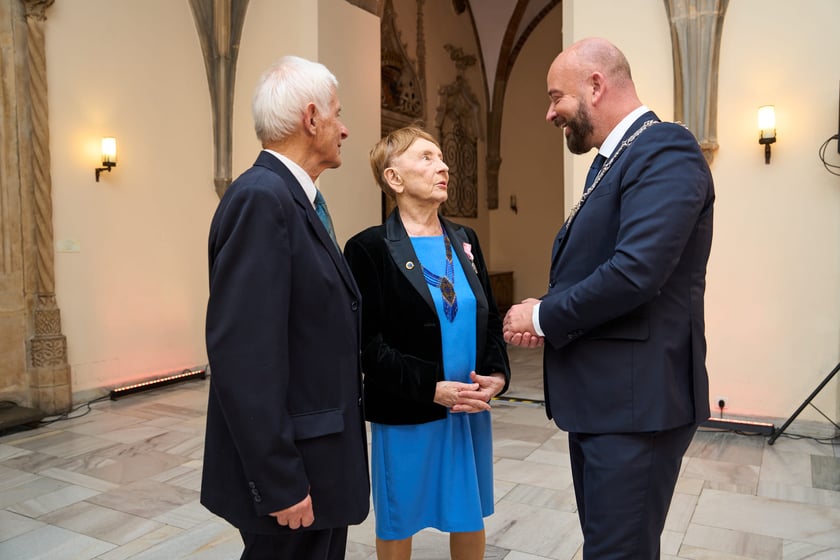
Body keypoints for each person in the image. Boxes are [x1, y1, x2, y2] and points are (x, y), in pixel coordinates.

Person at [503, 37, 714, 559]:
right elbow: (601, 264)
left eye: (557, 97)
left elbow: (635, 272)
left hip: (636, 405)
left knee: (617, 552)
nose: (550, 113)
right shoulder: (614, 159)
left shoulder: (663, 148)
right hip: (608, 402)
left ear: (595, 86)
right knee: (609, 545)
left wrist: (547, 315)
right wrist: (547, 312)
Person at [201, 55, 369, 560]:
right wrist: (279, 481)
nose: (345, 129)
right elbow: (245, 357)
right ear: (311, 118)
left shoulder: (292, 198)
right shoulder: (262, 199)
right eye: (337, 115)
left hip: (317, 456)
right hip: (295, 475)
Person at [343, 126, 511, 560]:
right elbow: (368, 345)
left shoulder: (466, 240)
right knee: (401, 515)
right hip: (409, 408)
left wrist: (495, 375)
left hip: (467, 409)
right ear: (393, 178)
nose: (444, 166)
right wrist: (430, 388)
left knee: (467, 513)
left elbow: (486, 315)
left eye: (442, 157)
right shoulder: (369, 249)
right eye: (427, 158)